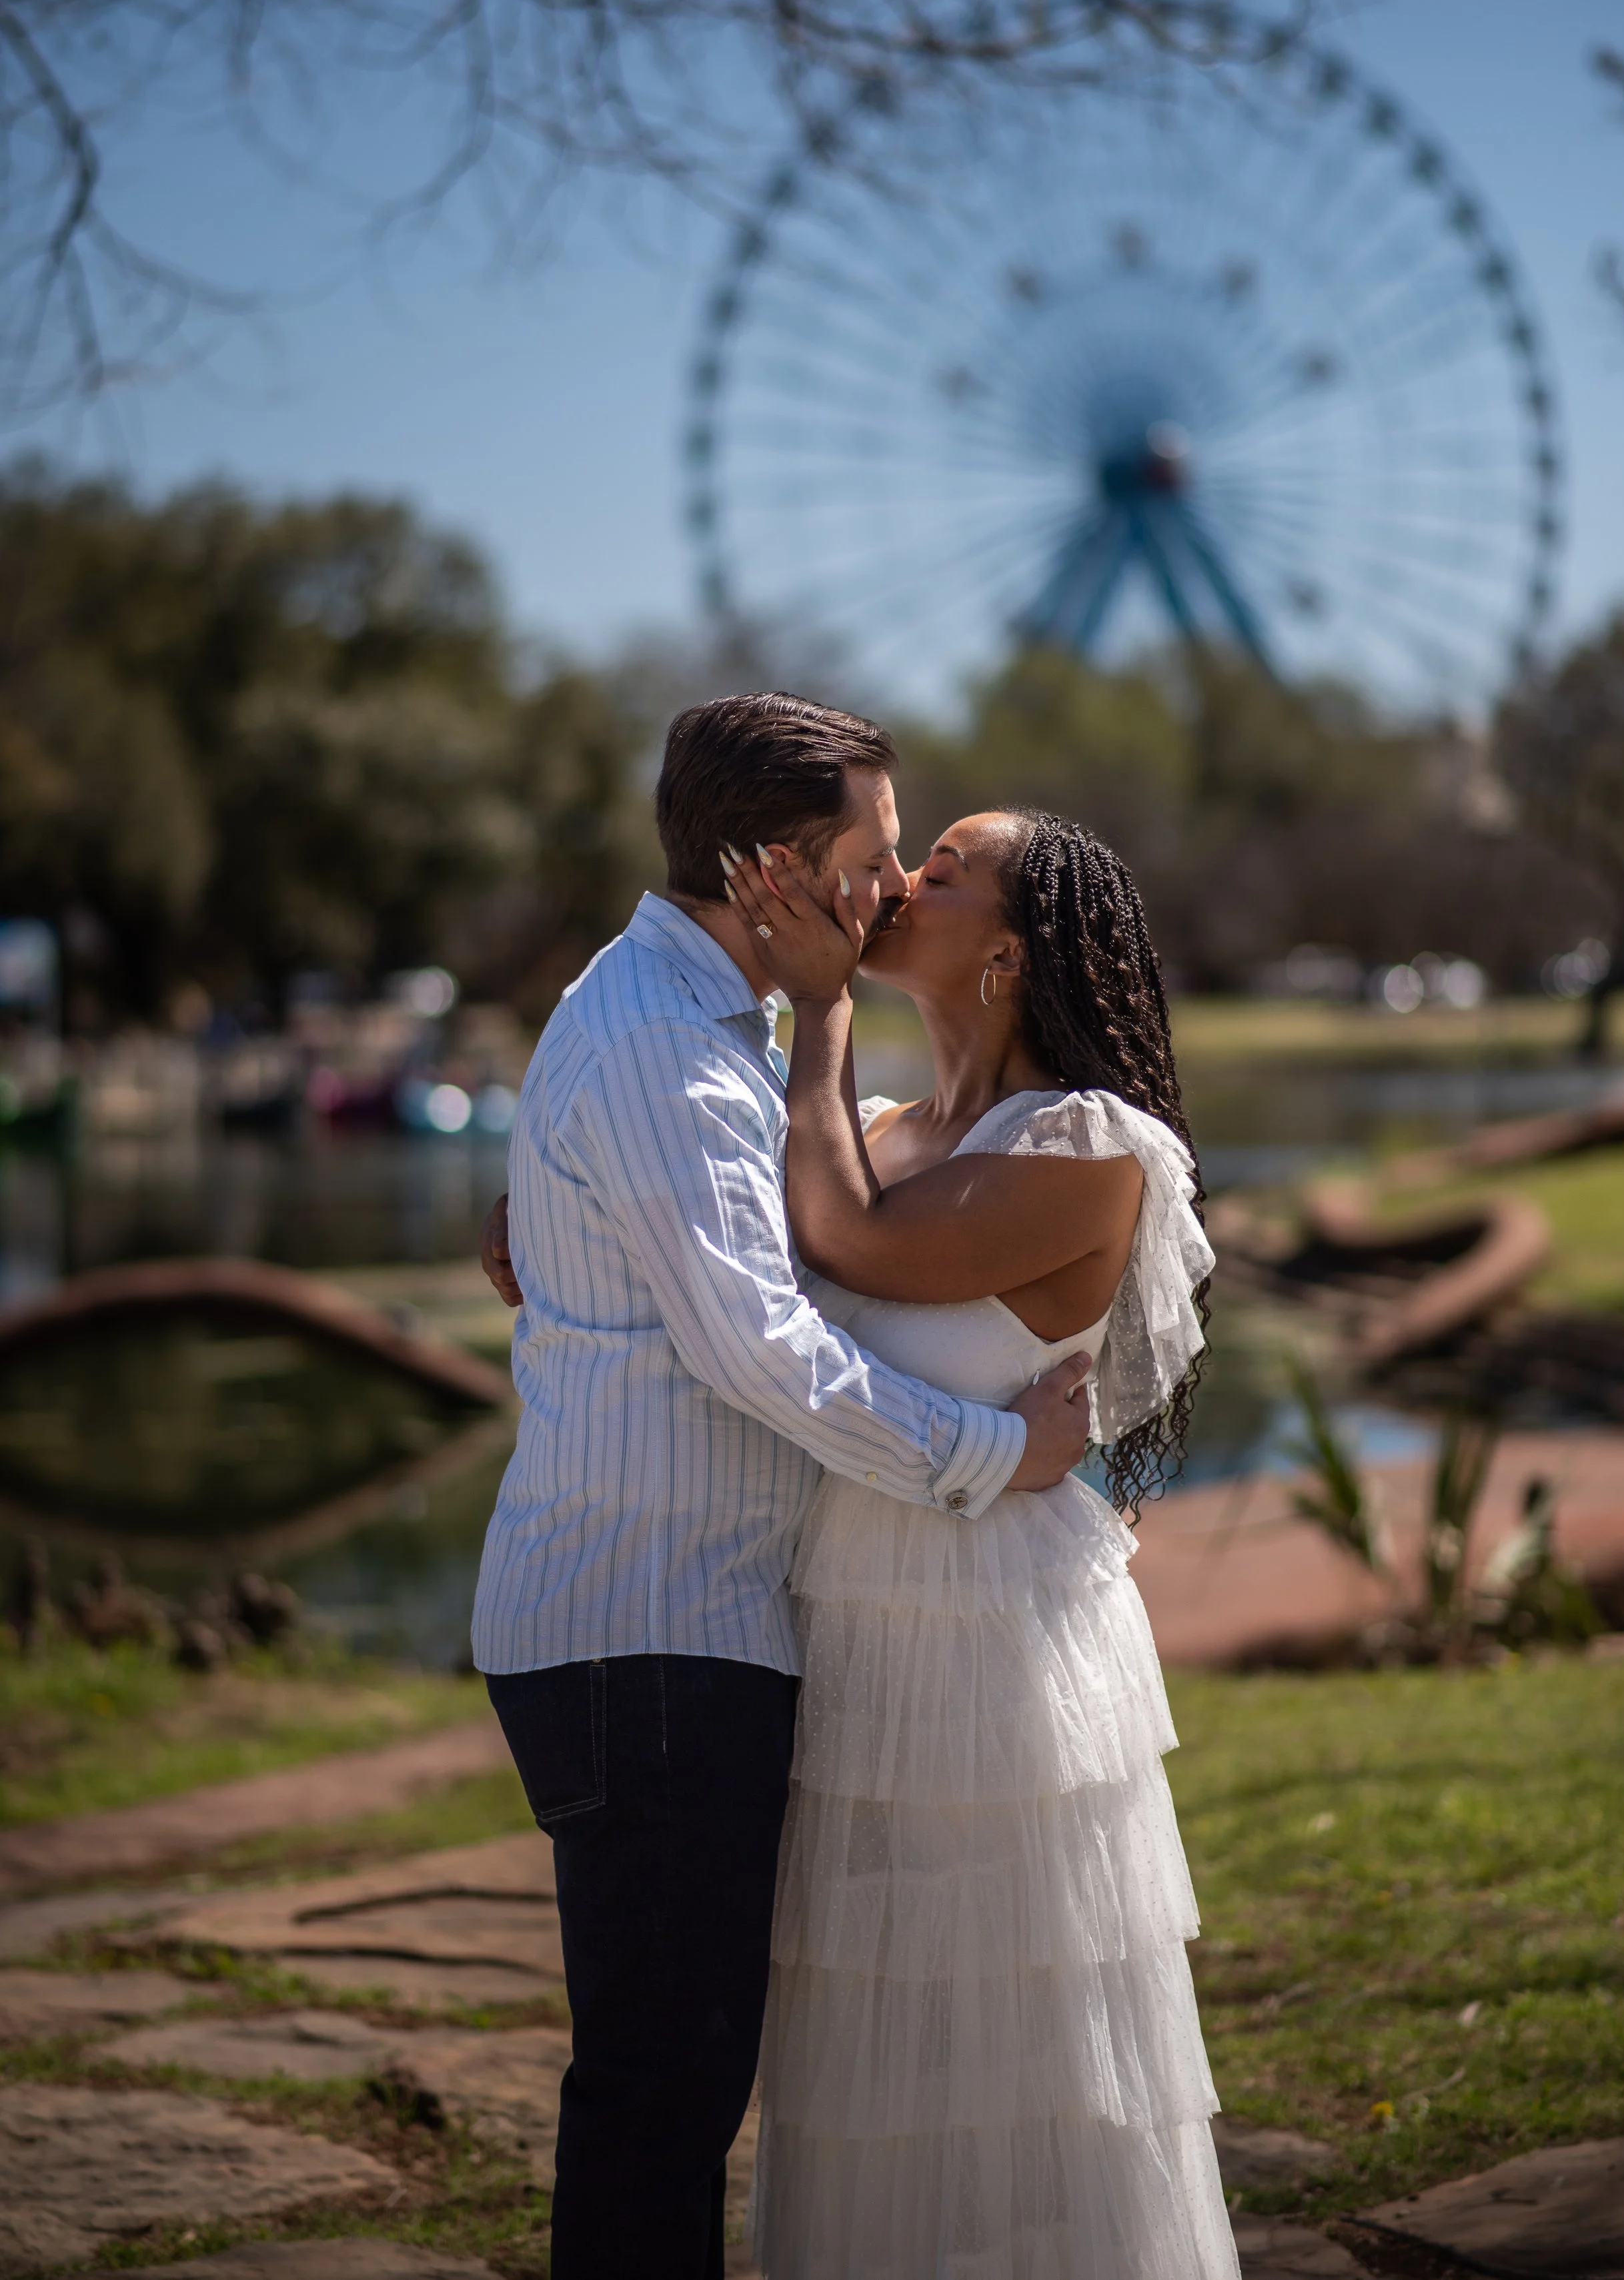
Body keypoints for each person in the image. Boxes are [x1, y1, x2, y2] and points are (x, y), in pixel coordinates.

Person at [472, 694, 1092, 2280]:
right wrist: (997, 1451)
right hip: (647, 1633)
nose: (891, 885)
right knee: (659, 2094)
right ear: (770, 865)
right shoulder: (663, 1049)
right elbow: (763, 1354)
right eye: (877, 854)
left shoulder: (693, 1025)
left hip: (667, 1629)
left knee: (668, 2087)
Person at [720, 809, 1235, 2279]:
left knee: (1016, 2038)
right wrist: (541, 1229)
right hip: (846, 1631)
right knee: (868, 2049)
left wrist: (812, 1001)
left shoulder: (1083, 1145)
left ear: (1005, 953)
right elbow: (718, 1255)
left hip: (998, 1653)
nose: (895, 881)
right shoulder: (880, 1127)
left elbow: (851, 1244)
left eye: (940, 869)